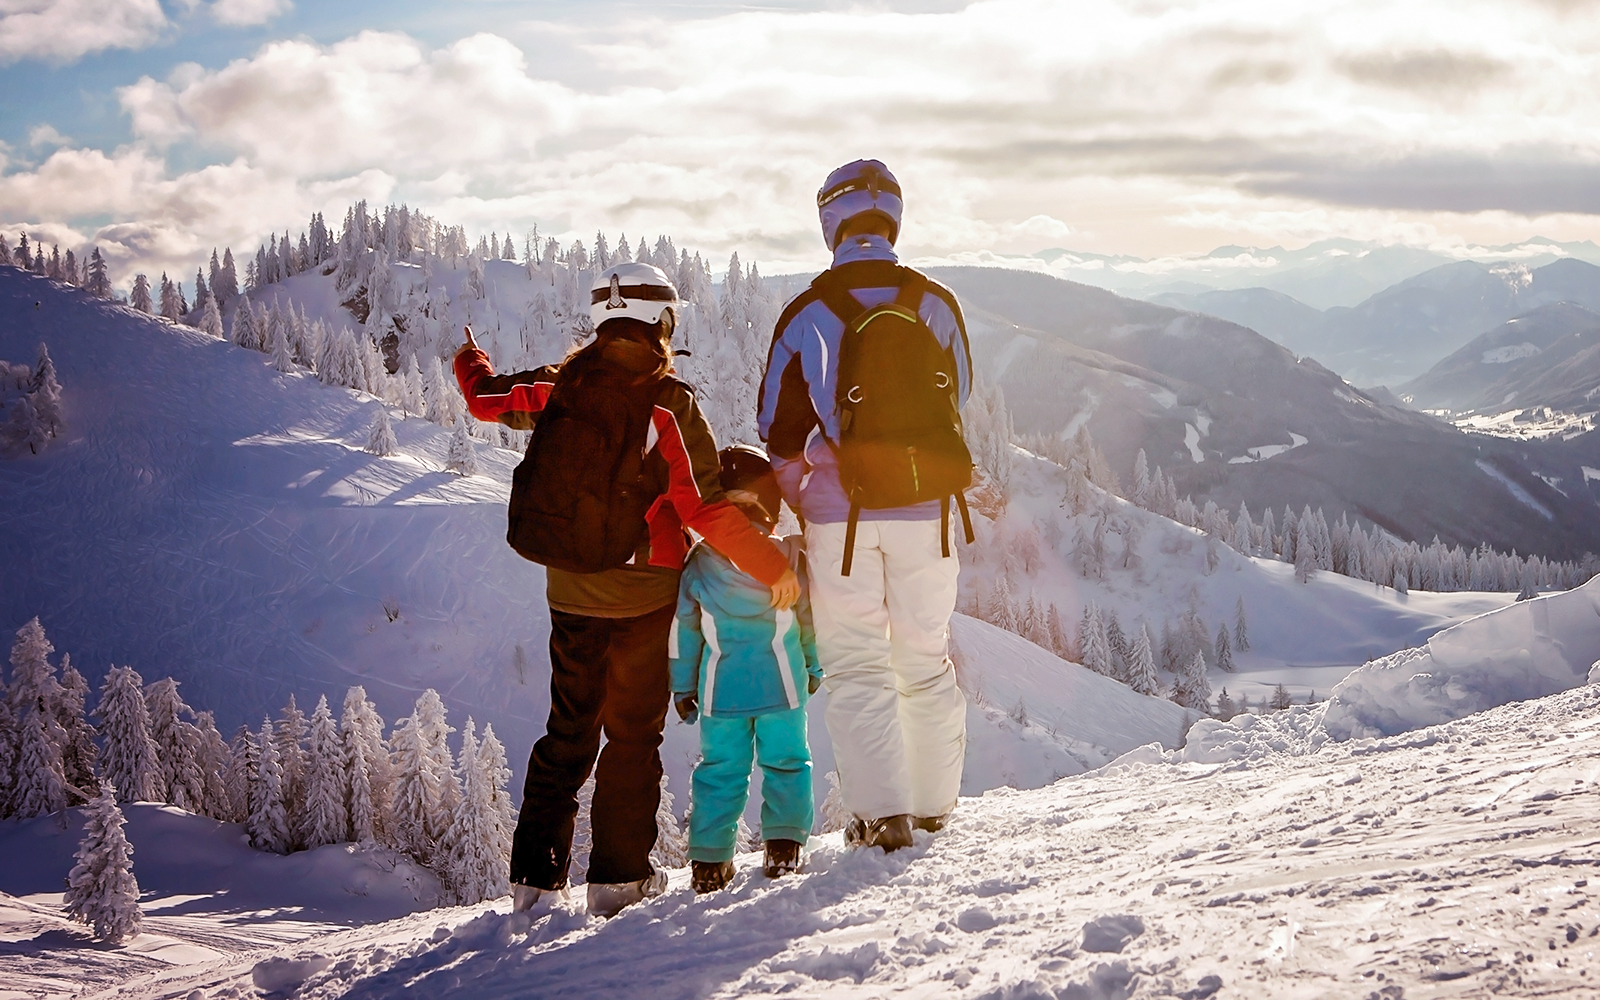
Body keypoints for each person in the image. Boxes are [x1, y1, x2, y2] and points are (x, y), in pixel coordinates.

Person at [455, 261, 800, 917]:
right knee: (633, 736)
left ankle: (534, 880)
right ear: (662, 322)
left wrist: (471, 358)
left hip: (569, 590)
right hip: (643, 596)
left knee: (567, 731)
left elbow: (485, 401)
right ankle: (617, 881)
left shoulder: (560, 389)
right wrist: (771, 566)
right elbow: (703, 508)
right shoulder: (666, 404)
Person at [757, 159, 973, 852]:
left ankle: (883, 817)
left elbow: (776, 430)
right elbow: (957, 397)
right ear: (893, 218)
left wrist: (810, 496)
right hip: (929, 512)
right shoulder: (935, 301)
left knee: (857, 666)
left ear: (831, 221)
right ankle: (935, 807)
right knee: (926, 659)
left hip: (841, 519)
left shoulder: (806, 311)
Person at [671, 445, 822, 893]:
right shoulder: (789, 559)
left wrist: (682, 686)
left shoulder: (699, 563)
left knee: (720, 769)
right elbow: (809, 620)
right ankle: (783, 846)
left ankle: (710, 862)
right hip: (784, 687)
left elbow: (685, 632)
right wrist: (813, 665)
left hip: (721, 693)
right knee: (788, 763)